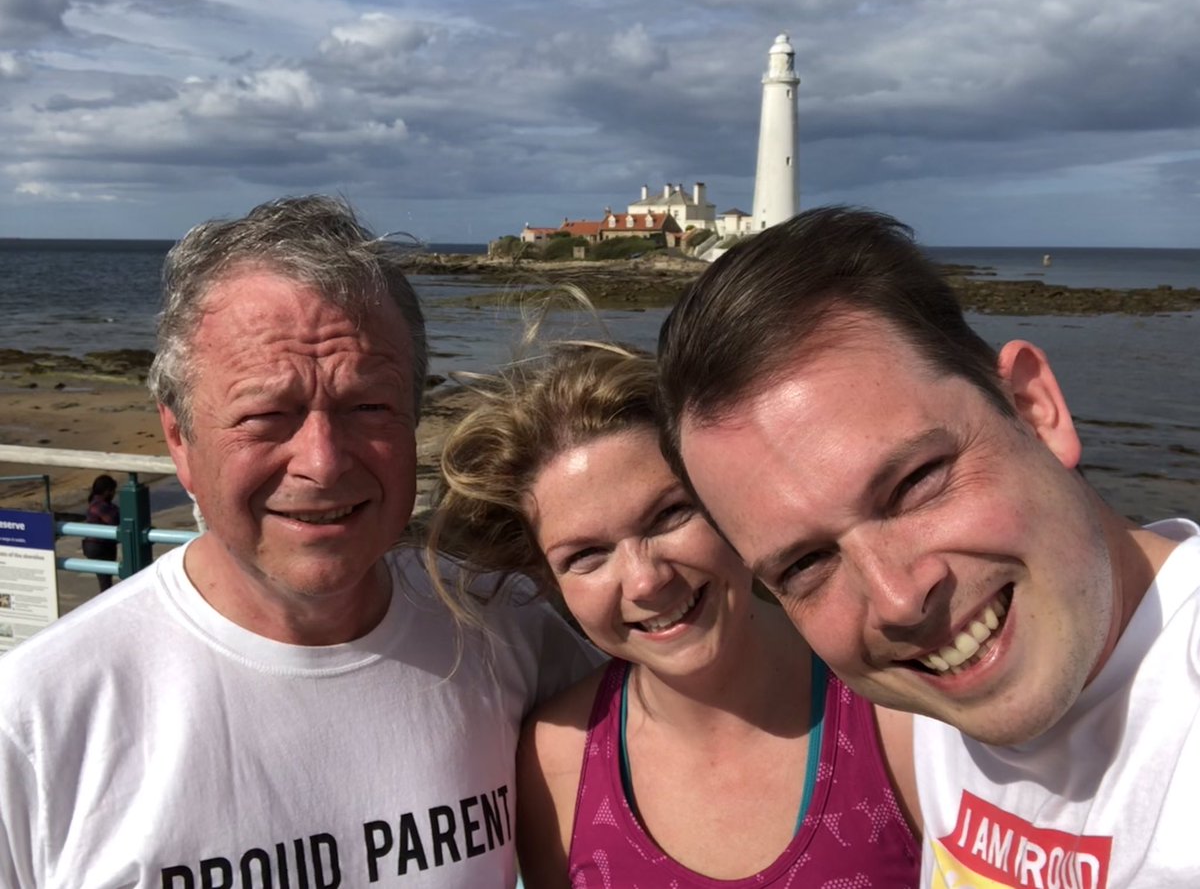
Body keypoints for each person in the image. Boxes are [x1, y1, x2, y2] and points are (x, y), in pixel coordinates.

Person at [0, 196, 599, 888]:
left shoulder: (515, 631)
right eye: (266, 415)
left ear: (413, 419)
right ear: (178, 440)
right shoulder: (37, 721)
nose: (323, 460)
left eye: (368, 406)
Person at [656, 206, 1200, 888]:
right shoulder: (943, 695)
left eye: (916, 483)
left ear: (1036, 408)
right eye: (806, 564)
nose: (899, 599)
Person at [427, 341, 921, 888]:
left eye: (669, 515)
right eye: (586, 556)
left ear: (729, 500)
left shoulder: (896, 705)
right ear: (548, 582)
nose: (646, 580)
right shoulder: (555, 761)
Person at [81, 473, 120, 591]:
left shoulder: (96, 503)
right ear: (107, 491)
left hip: (94, 546)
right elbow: (113, 520)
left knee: (104, 579)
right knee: (105, 582)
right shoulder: (100, 506)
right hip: (100, 546)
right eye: (112, 491)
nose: (114, 494)